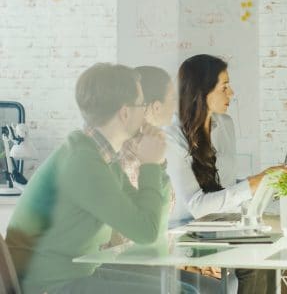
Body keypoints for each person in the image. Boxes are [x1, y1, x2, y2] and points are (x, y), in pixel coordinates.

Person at [5, 63, 184, 294]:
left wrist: (157, 164)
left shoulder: (100, 156)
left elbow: (148, 218)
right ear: (125, 112)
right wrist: (150, 164)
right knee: (177, 291)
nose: (145, 112)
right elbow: (145, 233)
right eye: (142, 105)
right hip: (50, 285)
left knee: (180, 288)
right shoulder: (83, 162)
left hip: (75, 274)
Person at [163, 54, 275, 294]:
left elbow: (224, 187)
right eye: (224, 86)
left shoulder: (225, 125)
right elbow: (198, 206)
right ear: (201, 91)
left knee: (268, 250)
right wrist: (254, 183)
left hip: (221, 226)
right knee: (254, 263)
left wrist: (268, 186)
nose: (231, 93)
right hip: (185, 232)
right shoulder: (171, 136)